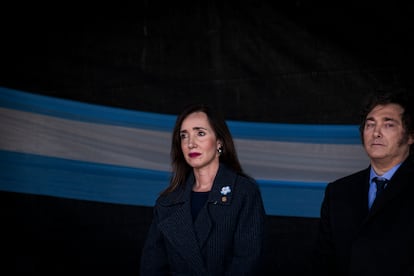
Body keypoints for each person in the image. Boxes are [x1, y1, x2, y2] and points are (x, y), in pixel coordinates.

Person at [140, 103, 266, 275]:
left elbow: (247, 261)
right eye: (184, 136)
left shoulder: (244, 193)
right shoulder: (167, 202)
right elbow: (152, 266)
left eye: (200, 133)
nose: (191, 143)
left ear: (219, 142)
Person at [311, 88, 414, 276]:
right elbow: (323, 262)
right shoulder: (338, 192)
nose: (376, 133)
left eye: (388, 125)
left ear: (410, 136)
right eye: (370, 124)